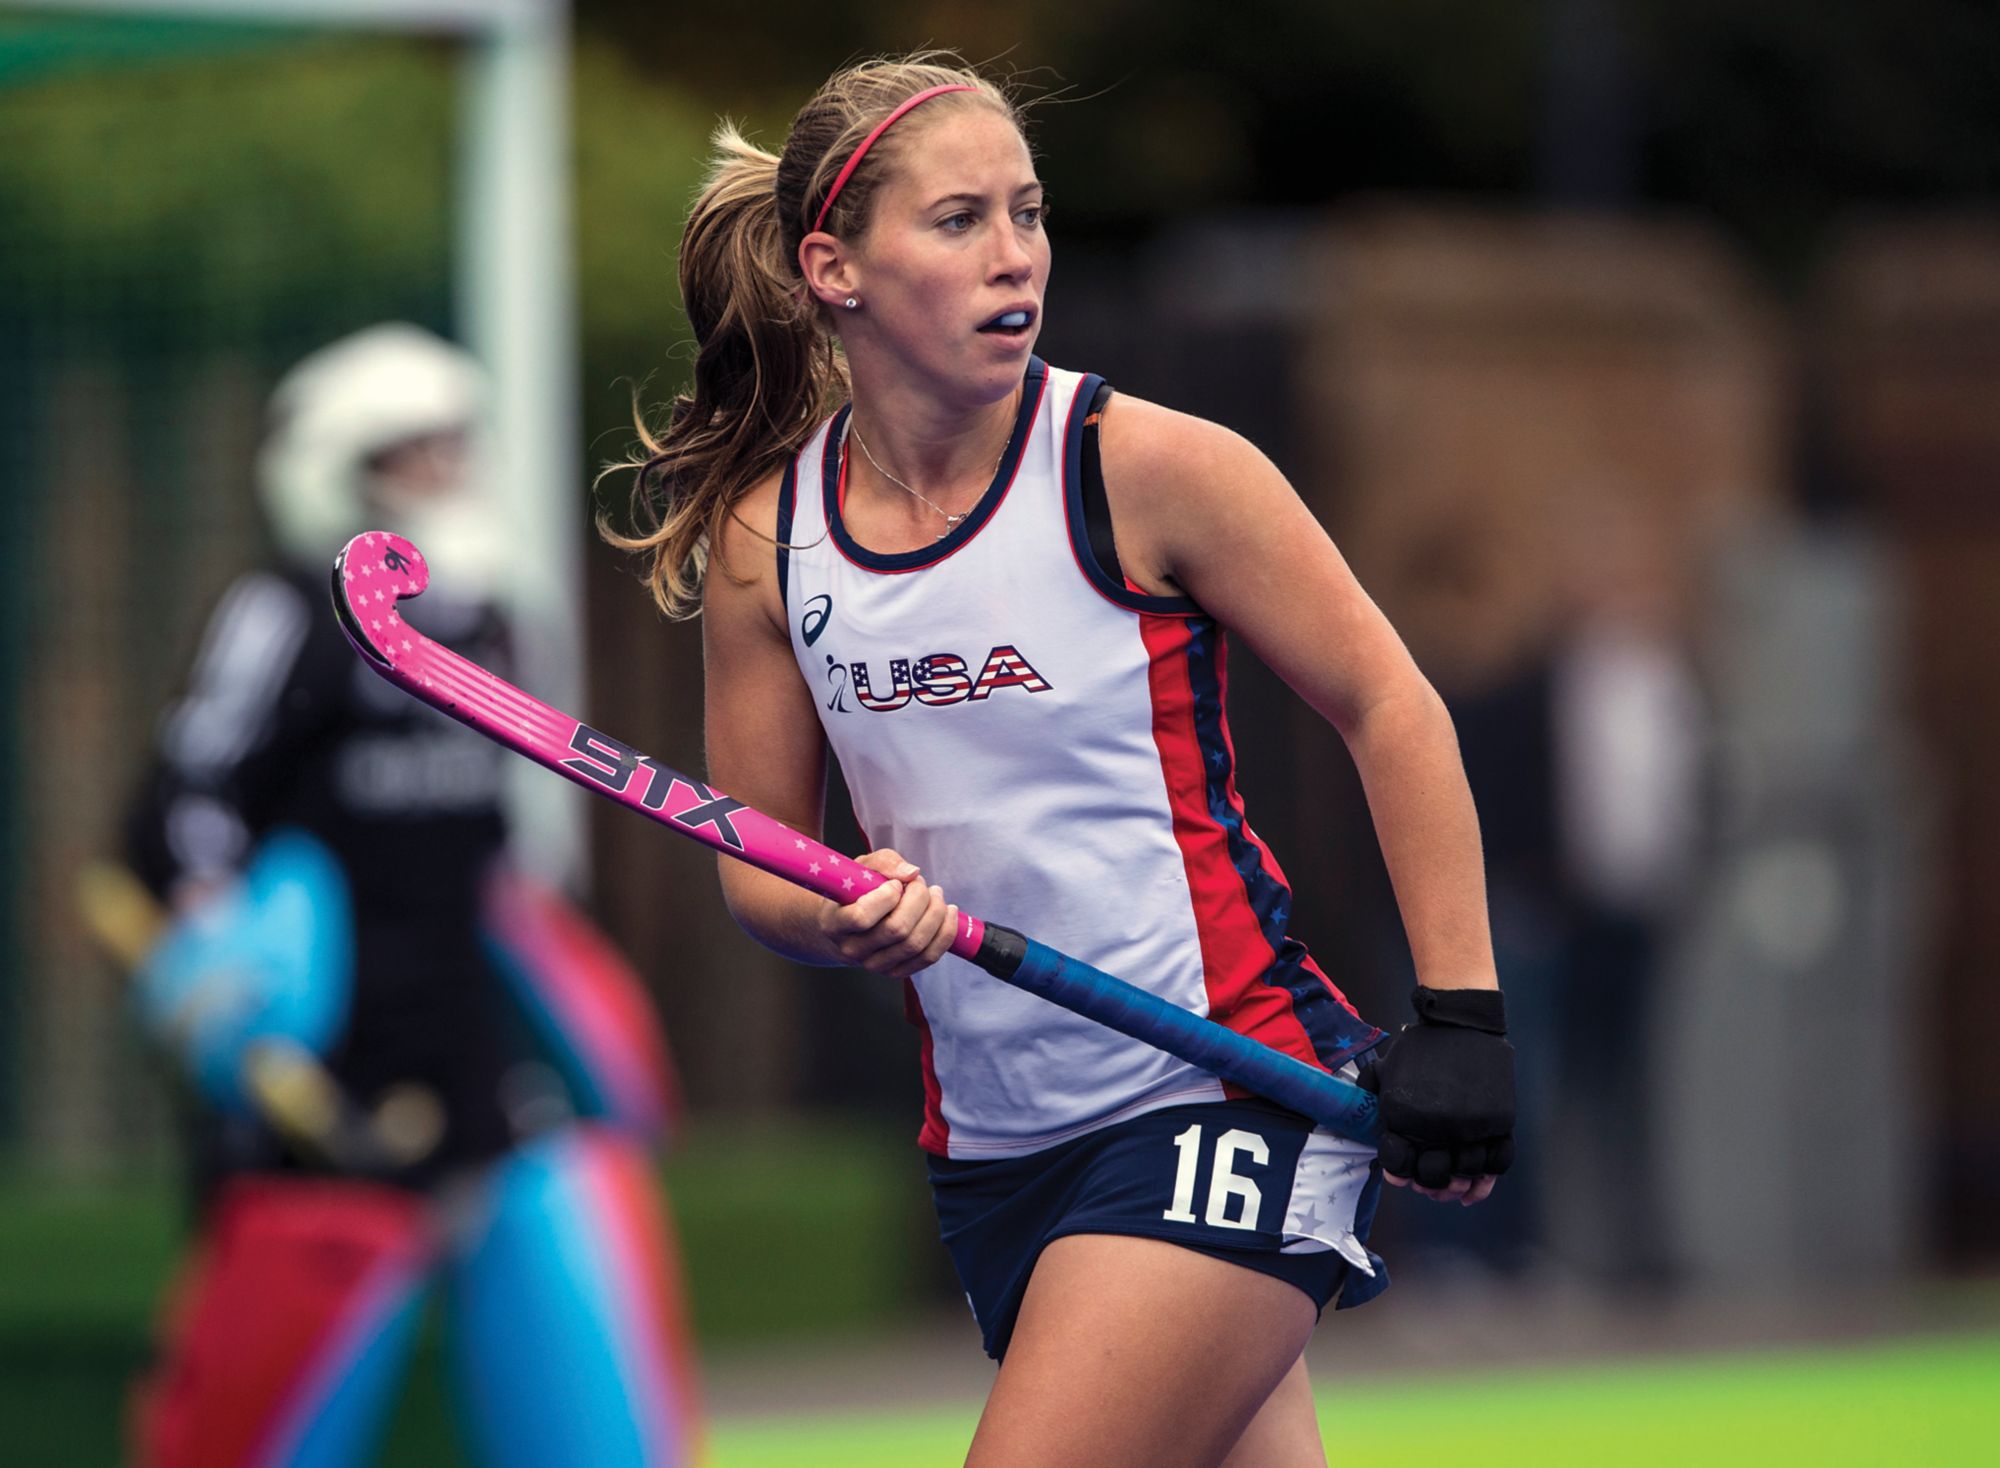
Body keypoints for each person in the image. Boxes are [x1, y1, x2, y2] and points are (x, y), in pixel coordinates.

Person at [610, 55, 1514, 1468]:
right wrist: (847, 913)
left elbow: (1390, 703)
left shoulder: (1145, 468)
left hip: (1219, 1093)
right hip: (996, 1152)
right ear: (832, 267)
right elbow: (760, 868)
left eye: (1027, 213)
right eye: (960, 220)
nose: (1016, 255)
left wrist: (1462, 1018)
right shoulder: (766, 542)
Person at [121, 324, 703, 1468]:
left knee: (583, 1341)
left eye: (454, 447)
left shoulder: (493, 623)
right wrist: (215, 950)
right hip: (323, 1083)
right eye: (411, 454)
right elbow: (182, 800)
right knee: (259, 1417)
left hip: (473, 1058)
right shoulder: (286, 610)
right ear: (342, 470)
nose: (445, 474)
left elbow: (507, 858)